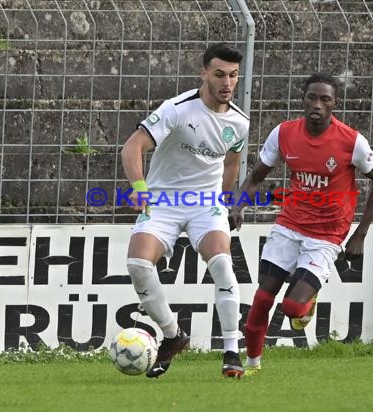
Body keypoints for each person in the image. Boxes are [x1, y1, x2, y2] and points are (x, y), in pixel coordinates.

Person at [229, 72, 373, 375]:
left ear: (334, 104)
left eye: (325, 99)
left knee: (292, 309)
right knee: (262, 298)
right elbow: (256, 176)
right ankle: (252, 364)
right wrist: (238, 205)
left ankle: (307, 300)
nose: (317, 104)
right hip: (289, 225)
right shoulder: (284, 133)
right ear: (303, 100)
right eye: (312, 97)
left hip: (326, 235)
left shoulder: (350, 141)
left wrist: (360, 233)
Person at [121, 42, 249, 378]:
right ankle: (173, 336)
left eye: (233, 75)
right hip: (163, 200)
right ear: (204, 73)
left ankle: (232, 351)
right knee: (137, 264)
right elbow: (132, 147)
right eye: (219, 74)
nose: (227, 82)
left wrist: (224, 201)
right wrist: (139, 187)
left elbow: (232, 161)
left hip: (204, 204)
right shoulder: (177, 109)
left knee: (221, 263)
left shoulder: (238, 122)